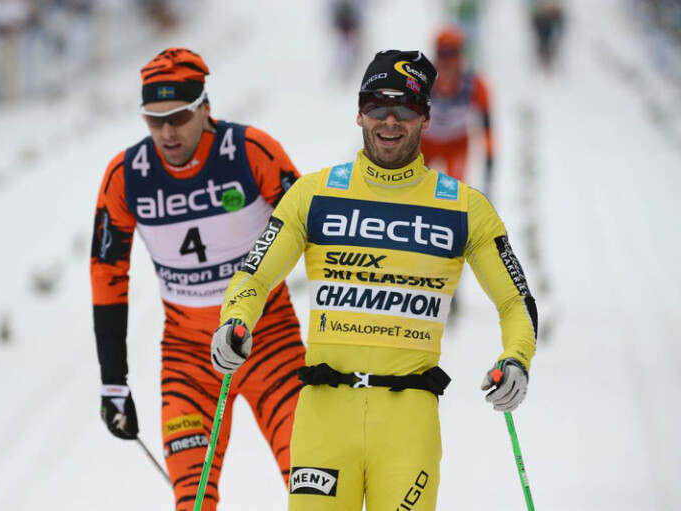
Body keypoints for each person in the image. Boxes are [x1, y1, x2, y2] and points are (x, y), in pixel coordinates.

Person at [211, 49, 538, 510]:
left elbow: (515, 301)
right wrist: (235, 319)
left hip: (408, 422)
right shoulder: (313, 194)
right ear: (359, 113)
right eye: (376, 106)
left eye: (405, 108)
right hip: (324, 417)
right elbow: (255, 275)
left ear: (426, 117)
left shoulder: (465, 208)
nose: (389, 121)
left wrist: (517, 358)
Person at [91, 47, 306, 511]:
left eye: (180, 117)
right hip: (190, 357)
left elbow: (318, 233)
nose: (167, 132)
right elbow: (107, 274)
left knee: (315, 488)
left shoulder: (251, 151)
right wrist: (113, 381)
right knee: (192, 499)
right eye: (154, 120)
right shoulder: (126, 176)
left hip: (269, 343)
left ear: (205, 108)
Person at [420, 26, 494, 195]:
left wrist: (489, 165)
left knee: (452, 193)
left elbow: (488, 127)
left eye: (452, 54)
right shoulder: (423, 80)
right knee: (415, 189)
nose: (447, 61)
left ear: (461, 56)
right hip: (425, 143)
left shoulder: (474, 84)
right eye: (442, 54)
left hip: (456, 144)